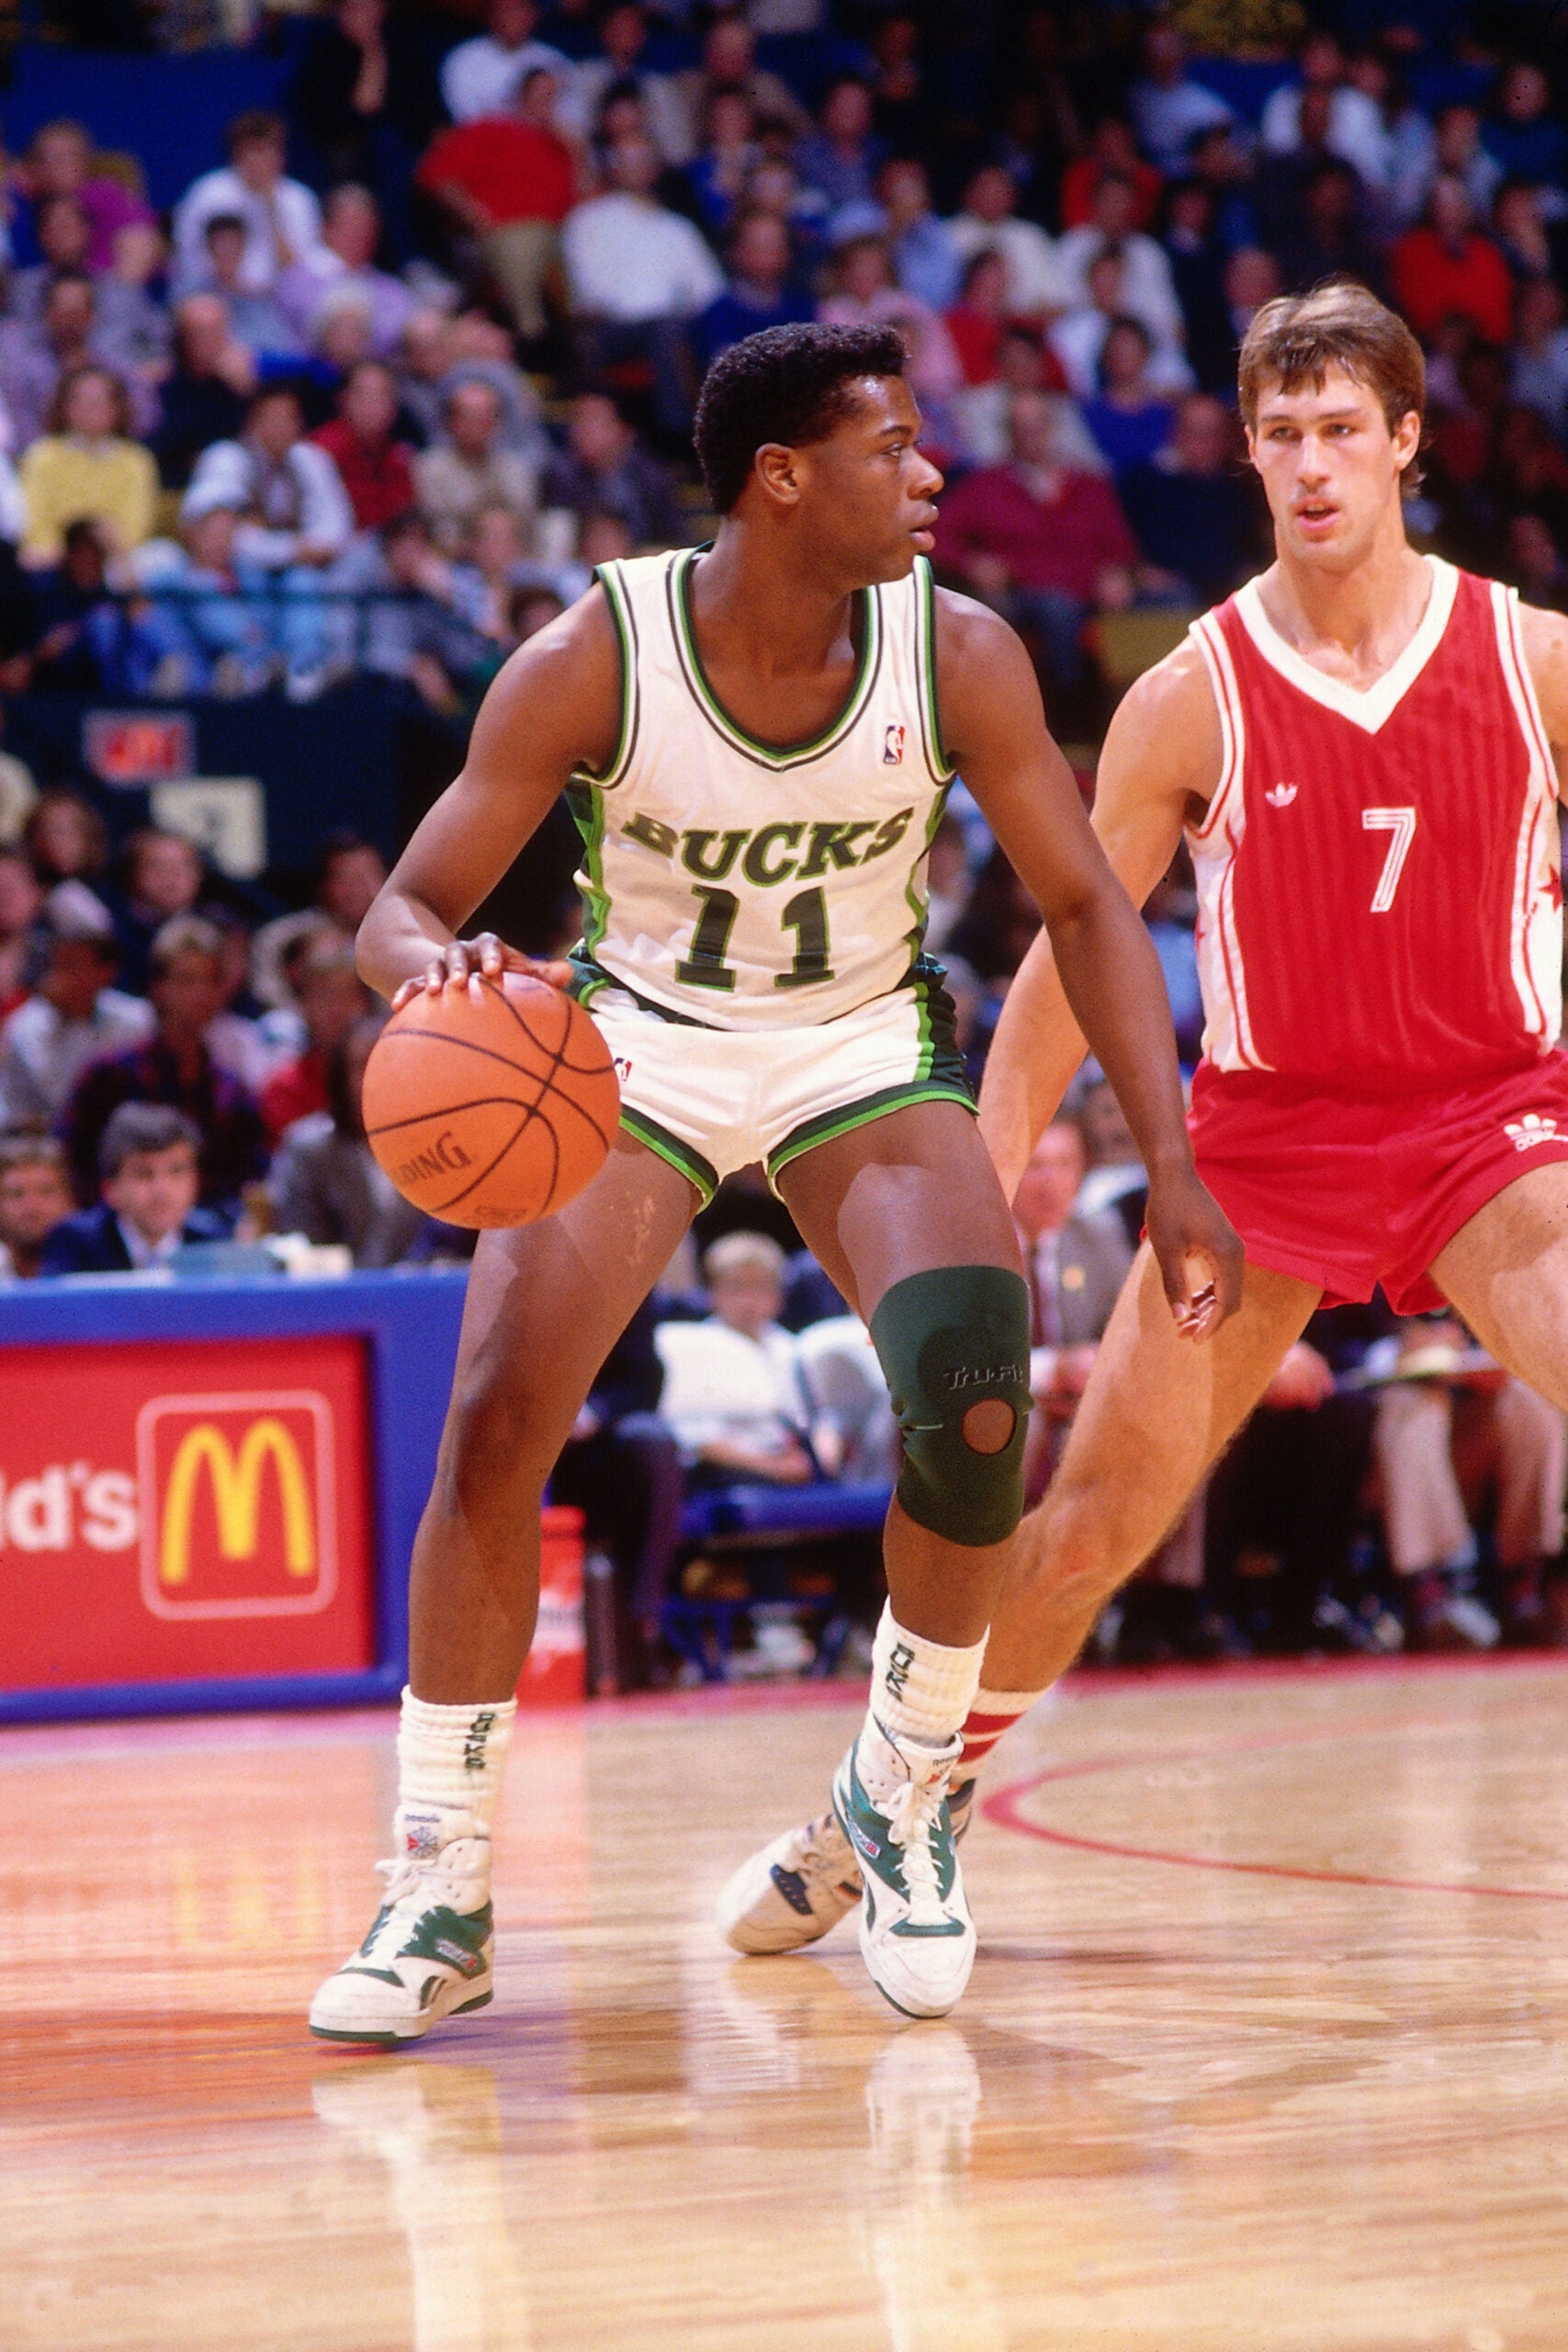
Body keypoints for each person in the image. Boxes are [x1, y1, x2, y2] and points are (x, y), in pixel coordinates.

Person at [307, 320, 1236, 2046]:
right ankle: (439, 1880)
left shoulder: (955, 653)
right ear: (780, 479)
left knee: (973, 1399)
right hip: (629, 1046)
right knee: (501, 1417)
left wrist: (1168, 1162)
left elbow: (1093, 907)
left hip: (854, 1047)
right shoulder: (598, 649)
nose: (930, 472)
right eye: (893, 447)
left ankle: (898, 1791)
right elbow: (397, 906)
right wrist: (431, 974)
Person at [723, 279, 1568, 1962]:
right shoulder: (1193, 692)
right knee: (1086, 1533)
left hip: (1493, 1130)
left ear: (1405, 441)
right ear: (1245, 455)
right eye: (1280, 435)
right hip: (1258, 1154)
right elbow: (1067, 954)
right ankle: (881, 1806)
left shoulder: (1534, 657)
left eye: (1343, 430)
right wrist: (975, 1198)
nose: (1312, 465)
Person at [61, 914, 269, 1219]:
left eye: (209, 981)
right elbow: (73, 1162)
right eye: (186, 980)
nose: (199, 995)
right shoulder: (109, 1073)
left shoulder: (231, 1089)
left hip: (209, 1238)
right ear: (158, 987)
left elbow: (248, 1178)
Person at [0, 910, 152, 1129]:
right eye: (58, 964)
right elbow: (56, 1103)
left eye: (73, 965)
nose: (61, 975)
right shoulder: (26, 1025)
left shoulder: (137, 1019)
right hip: (37, 1140)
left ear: (106, 972)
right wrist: (67, 1021)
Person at [40, 1102, 227, 1275]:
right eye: (144, 1174)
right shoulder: (76, 1244)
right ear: (110, 1189)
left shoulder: (215, 1242)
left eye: (176, 1171)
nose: (161, 1190)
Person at [172, 110, 323, 299]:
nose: (259, 160)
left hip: (276, 302)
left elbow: (298, 272)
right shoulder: (208, 191)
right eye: (252, 150)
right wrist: (235, 288)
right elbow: (189, 257)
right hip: (214, 294)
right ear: (235, 154)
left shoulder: (299, 199)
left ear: (281, 155)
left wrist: (271, 208)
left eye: (267, 150)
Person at [17, 366, 157, 570]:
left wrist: (105, 549)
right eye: (82, 399)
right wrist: (68, 556)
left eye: (101, 399)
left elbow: (135, 528)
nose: (92, 406)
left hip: (116, 560)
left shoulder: (136, 461)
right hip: (53, 561)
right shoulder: (41, 456)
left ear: (117, 407)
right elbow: (33, 522)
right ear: (65, 406)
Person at [0, 1133, 74, 1280]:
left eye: (46, 1192)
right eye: (17, 1194)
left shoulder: (100, 1269)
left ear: (70, 1200)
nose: (32, 1207)